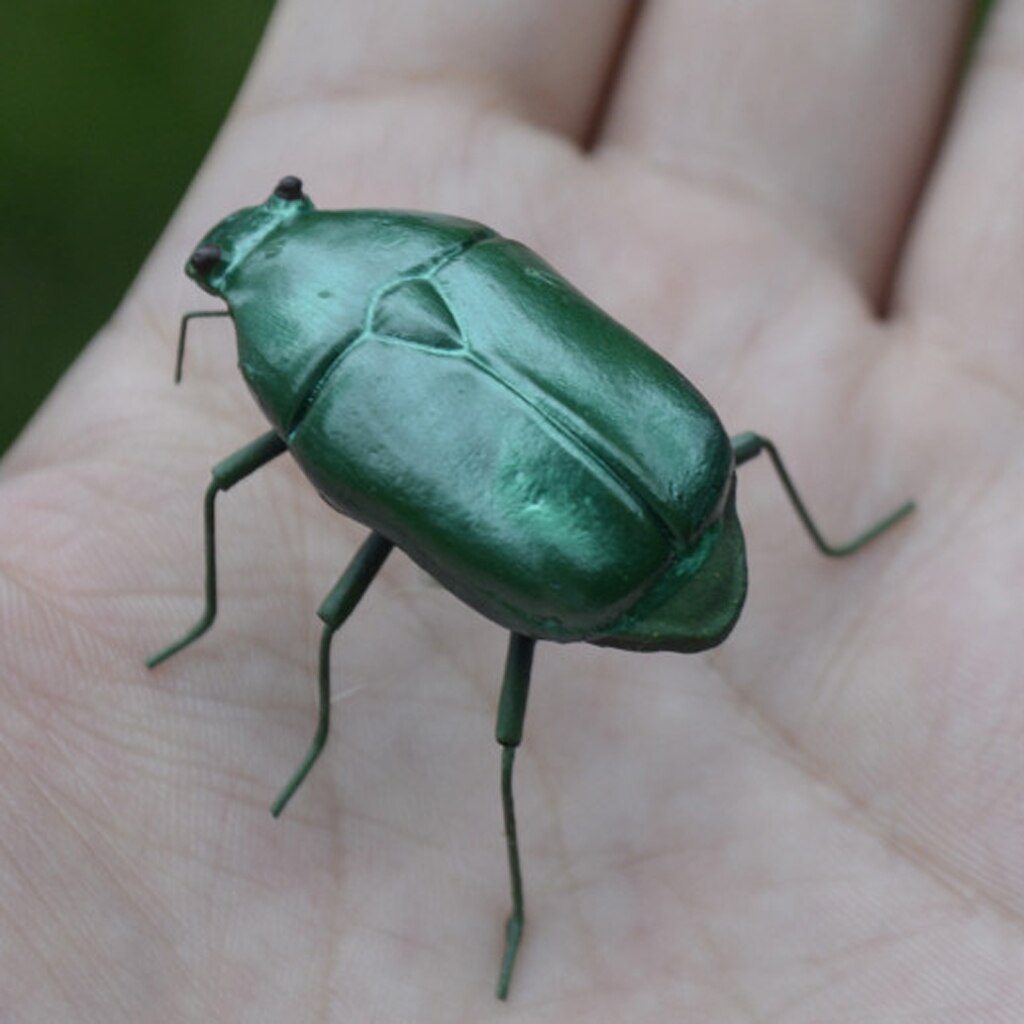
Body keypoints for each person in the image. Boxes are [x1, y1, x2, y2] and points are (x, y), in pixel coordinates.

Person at [1, 1, 1020, 1018]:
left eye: (285, 203)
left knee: (373, 641)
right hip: (651, 502)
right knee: (464, 662)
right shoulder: (420, 265)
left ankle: (509, 895)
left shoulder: (314, 382)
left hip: (633, 528)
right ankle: (509, 892)